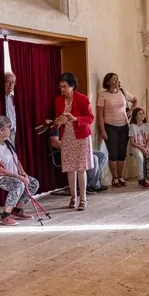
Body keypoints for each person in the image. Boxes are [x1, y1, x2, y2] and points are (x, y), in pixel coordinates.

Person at [0, 116, 39, 226]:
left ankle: (17, 210)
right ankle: (6, 215)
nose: (10, 129)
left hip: (11, 173)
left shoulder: (7, 141)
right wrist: (17, 177)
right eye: (9, 127)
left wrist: (23, 173)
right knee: (18, 184)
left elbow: (15, 159)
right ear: (1, 130)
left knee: (33, 183)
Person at [52, 72, 95, 210]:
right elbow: (58, 118)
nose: (62, 89)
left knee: (81, 168)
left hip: (81, 136)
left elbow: (90, 118)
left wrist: (75, 118)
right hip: (67, 136)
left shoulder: (83, 99)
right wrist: (55, 122)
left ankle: (83, 199)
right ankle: (73, 198)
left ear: (72, 86)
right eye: (60, 87)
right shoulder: (58, 100)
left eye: (65, 86)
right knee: (70, 168)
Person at [96, 73, 137, 187]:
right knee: (113, 154)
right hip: (110, 127)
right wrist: (102, 130)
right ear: (108, 82)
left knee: (122, 154)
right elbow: (100, 115)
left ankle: (120, 177)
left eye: (117, 79)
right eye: (114, 79)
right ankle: (114, 178)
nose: (116, 81)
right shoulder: (103, 95)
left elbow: (135, 100)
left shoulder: (123, 92)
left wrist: (130, 112)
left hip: (124, 126)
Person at [128, 107, 149, 188]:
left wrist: (146, 147)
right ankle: (141, 180)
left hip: (145, 146)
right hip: (135, 147)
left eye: (143, 113)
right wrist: (142, 149)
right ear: (135, 116)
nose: (142, 115)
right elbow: (132, 142)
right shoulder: (132, 126)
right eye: (140, 114)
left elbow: (148, 140)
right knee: (140, 157)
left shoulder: (146, 125)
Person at [4, 71, 17, 147]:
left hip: (13, 132)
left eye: (13, 82)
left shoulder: (13, 99)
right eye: (9, 82)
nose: (11, 85)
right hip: (3, 134)